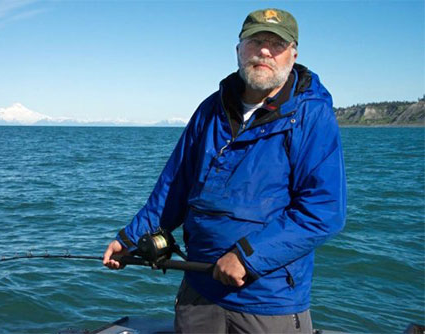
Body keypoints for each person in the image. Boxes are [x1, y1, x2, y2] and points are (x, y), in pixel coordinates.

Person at [103, 8, 346, 334]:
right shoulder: (210, 110)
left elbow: (324, 210)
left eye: (276, 44)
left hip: (268, 300)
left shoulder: (311, 116)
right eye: (256, 40)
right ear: (238, 48)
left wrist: (248, 257)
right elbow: (174, 187)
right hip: (199, 288)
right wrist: (130, 237)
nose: (264, 51)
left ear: (293, 53)